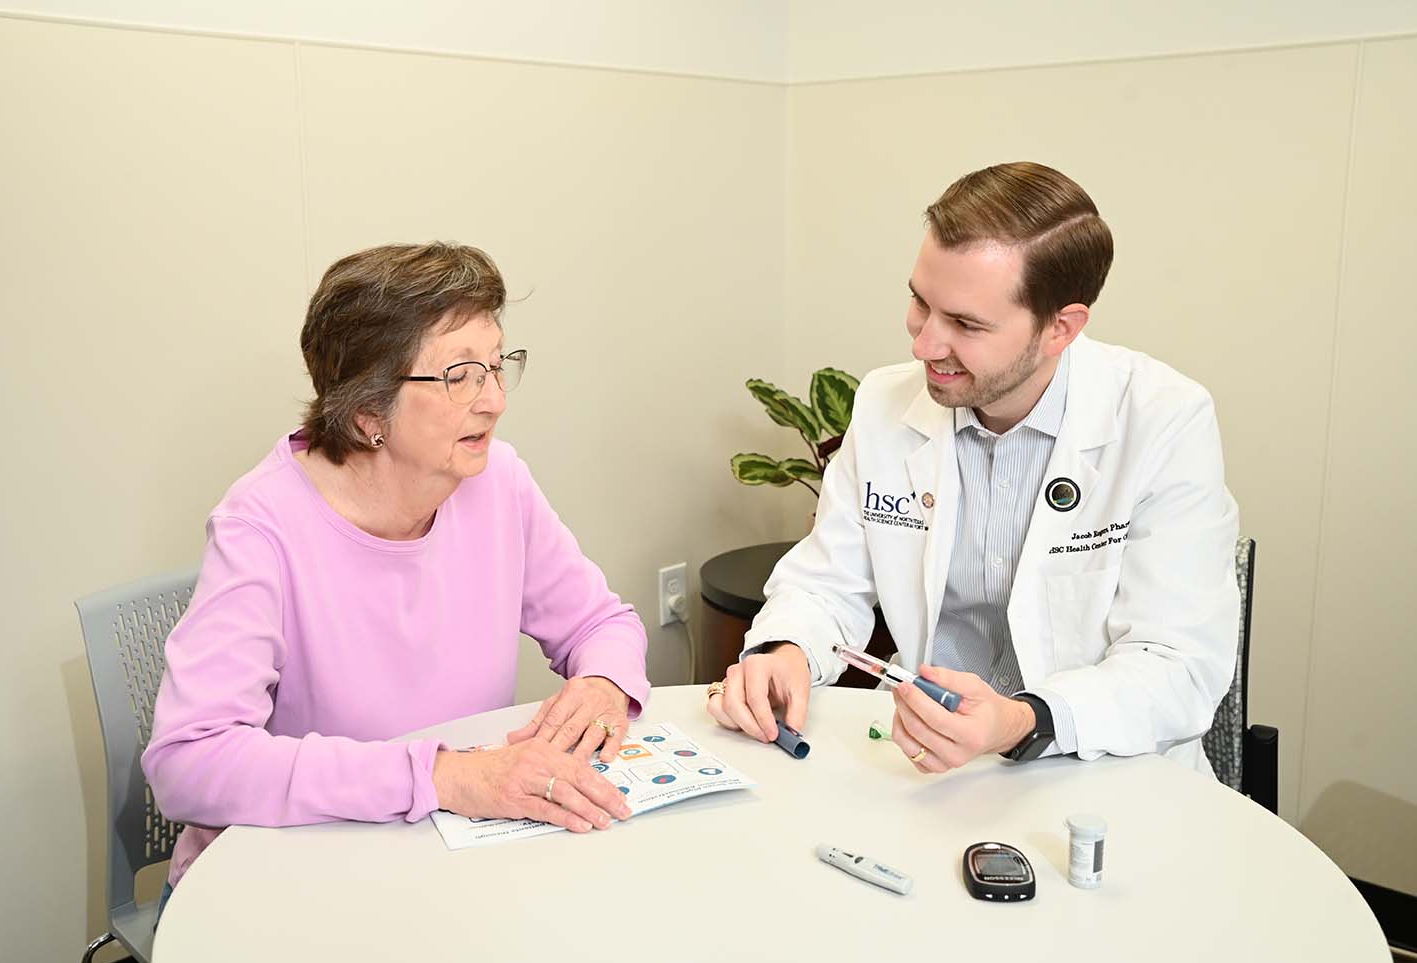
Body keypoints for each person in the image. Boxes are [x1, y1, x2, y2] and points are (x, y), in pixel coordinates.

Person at [144, 242, 647, 909]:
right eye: (460, 374)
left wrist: (605, 683)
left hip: (448, 862)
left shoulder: (497, 481)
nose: (494, 400)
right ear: (367, 413)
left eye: (498, 367)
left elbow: (599, 622)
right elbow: (190, 763)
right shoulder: (261, 526)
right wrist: (442, 776)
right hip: (289, 886)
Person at [706, 162, 1238, 776]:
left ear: (1060, 328)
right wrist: (787, 647)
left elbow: (1177, 663)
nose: (924, 345)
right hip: (924, 758)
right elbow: (826, 583)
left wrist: (1018, 720)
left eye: (965, 324)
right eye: (919, 302)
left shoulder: (1163, 420)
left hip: (1095, 760)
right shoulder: (885, 404)